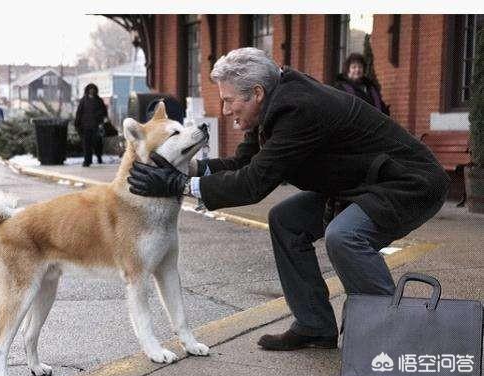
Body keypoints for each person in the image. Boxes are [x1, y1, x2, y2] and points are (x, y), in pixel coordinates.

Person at [127, 48, 449, 351]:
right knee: (286, 220)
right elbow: (243, 164)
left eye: (228, 101)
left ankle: (397, 336)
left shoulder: (298, 109)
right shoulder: (272, 102)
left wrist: (178, 184)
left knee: (345, 236)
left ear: (256, 93)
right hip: (361, 183)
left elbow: (253, 183)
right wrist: (188, 167)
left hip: (408, 182)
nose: (225, 111)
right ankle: (314, 325)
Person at [74, 83, 109, 167]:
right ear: (87, 90)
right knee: (86, 144)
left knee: (97, 143)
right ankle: (87, 161)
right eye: (90, 89)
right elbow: (79, 113)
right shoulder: (83, 101)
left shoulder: (99, 100)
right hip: (86, 126)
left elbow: (104, 112)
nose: (92, 90)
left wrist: (101, 119)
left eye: (93, 89)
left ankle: (99, 156)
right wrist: (77, 123)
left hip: (96, 126)